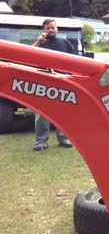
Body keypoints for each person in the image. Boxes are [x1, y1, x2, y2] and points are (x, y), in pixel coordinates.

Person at [31, 18, 74, 151]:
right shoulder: (39, 44)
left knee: (63, 113)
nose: (51, 30)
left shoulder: (65, 43)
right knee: (42, 115)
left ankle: (64, 139)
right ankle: (41, 142)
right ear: (43, 30)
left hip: (62, 82)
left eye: (53, 27)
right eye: (48, 28)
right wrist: (39, 42)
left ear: (57, 29)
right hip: (42, 83)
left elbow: (75, 62)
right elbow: (26, 54)